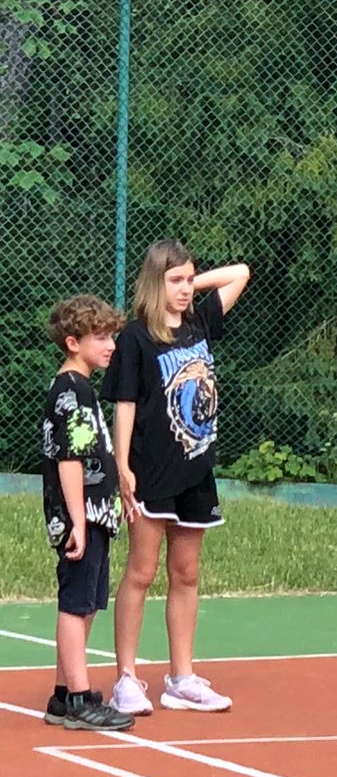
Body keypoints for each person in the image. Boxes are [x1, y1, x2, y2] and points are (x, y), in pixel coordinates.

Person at [107, 239, 252, 715]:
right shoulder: (135, 338)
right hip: (150, 470)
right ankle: (126, 678)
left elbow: (240, 272)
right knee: (141, 571)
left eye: (189, 279)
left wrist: (191, 282)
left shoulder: (198, 323)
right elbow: (125, 405)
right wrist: (122, 466)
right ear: (154, 282)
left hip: (196, 470)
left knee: (186, 573)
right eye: (175, 280)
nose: (186, 288)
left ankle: (182, 678)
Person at [40, 294, 134, 732]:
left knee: (89, 601)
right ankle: (79, 698)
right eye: (100, 337)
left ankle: (63, 696)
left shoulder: (81, 388)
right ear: (73, 342)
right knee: (75, 604)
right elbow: (69, 460)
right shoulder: (71, 391)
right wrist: (78, 520)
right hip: (83, 517)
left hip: (97, 514)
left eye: (112, 335)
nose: (111, 344)